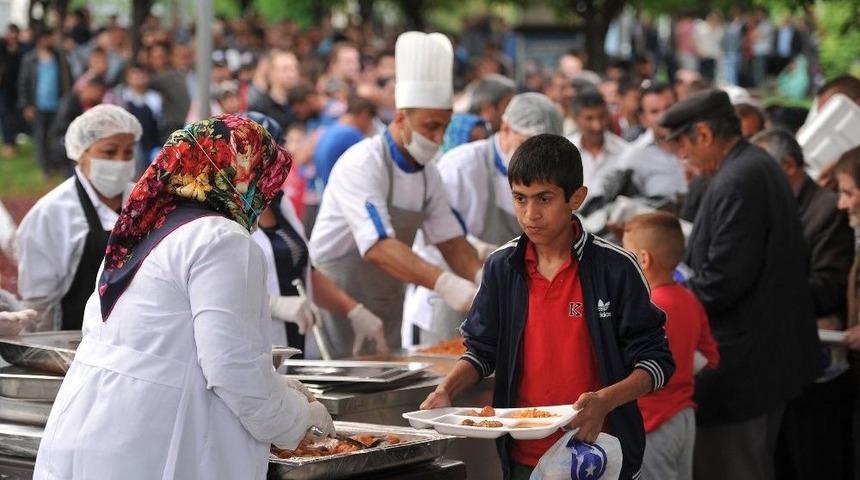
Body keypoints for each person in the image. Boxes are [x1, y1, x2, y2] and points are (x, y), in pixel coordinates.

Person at [32, 115, 334, 480]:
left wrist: (275, 389)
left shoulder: (146, 226)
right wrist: (295, 419)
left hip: (93, 421)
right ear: (238, 175)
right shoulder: (222, 239)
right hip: (150, 438)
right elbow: (231, 366)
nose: (266, 196)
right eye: (263, 181)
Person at [420, 133, 675, 480]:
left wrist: (605, 401)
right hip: (523, 456)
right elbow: (481, 350)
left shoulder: (615, 268)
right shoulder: (502, 267)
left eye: (544, 198)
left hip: (600, 454)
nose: (531, 214)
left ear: (576, 197)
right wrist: (445, 391)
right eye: (520, 199)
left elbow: (657, 362)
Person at [662, 90, 820, 480]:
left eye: (682, 145)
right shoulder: (752, 165)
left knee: (734, 467)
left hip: (743, 367)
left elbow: (722, 282)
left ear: (703, 134)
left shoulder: (738, 179)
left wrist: (664, 300)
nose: (682, 156)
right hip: (763, 361)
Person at [308, 31, 483, 358]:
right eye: (431, 126)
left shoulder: (429, 175)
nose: (439, 138)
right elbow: (378, 247)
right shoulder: (363, 163)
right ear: (401, 118)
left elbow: (450, 240)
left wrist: (480, 277)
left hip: (387, 306)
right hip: (338, 305)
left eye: (444, 128)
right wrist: (444, 283)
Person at [404, 92, 564, 345]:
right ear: (506, 128)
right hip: (452, 298)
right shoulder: (462, 167)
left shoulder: (550, 175)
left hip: (509, 299)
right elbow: (438, 237)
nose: (537, 157)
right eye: (528, 143)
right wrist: (481, 258)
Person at [240, 111, 387, 357]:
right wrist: (273, 305)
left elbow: (305, 269)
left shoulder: (280, 203)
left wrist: (353, 310)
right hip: (258, 350)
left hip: (303, 349)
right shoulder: (223, 216)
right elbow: (216, 289)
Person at [752, 128, 855, 480]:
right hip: (783, 366)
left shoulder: (826, 210)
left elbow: (828, 288)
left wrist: (762, 291)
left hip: (819, 368)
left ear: (789, 166)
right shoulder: (776, 207)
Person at [16, 105, 141, 332]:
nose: (120, 161)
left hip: (137, 335)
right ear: (81, 154)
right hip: (73, 338)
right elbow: (39, 301)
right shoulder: (52, 213)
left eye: (128, 153)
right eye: (109, 152)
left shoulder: (146, 202)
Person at [623, 212, 720, 480]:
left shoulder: (645, 308)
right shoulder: (691, 300)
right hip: (683, 419)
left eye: (626, 255)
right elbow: (711, 358)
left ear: (644, 259)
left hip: (651, 422)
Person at [614, 83, 687, 203]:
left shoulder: (699, 143)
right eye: (654, 112)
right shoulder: (634, 155)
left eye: (668, 107)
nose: (664, 116)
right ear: (643, 119)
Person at [18, 28, 72, 176]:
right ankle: (45, 167)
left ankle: (56, 163)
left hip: (58, 105)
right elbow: (23, 83)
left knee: (56, 136)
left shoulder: (59, 58)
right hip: (38, 105)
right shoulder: (30, 59)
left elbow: (67, 79)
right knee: (40, 137)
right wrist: (26, 105)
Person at [567, 88, 629, 210]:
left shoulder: (624, 151)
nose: (597, 126)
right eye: (589, 118)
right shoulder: (563, 153)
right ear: (575, 119)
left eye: (601, 117)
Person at [311, 96, 377, 192]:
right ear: (364, 114)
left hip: (326, 190)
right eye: (370, 120)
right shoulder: (351, 134)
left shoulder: (331, 129)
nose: (370, 126)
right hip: (340, 191)